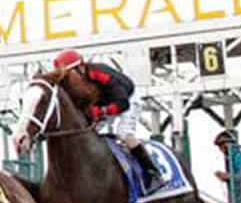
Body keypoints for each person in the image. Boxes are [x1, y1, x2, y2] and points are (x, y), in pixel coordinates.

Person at [52, 48, 161, 190]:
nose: (68, 78)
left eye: (69, 73)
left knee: (124, 133)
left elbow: (122, 103)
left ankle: (153, 173)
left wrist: (100, 111)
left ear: (80, 67)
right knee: (86, 135)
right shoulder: (71, 83)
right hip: (104, 103)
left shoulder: (101, 74)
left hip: (127, 98)